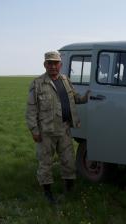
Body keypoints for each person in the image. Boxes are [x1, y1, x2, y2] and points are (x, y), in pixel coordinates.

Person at [26, 51, 89, 203]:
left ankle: (69, 190)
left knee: (68, 160)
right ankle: (47, 193)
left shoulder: (65, 80)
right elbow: (31, 109)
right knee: (45, 162)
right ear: (45, 65)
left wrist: (87, 96)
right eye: (50, 63)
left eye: (55, 63)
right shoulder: (38, 83)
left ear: (60, 64)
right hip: (46, 131)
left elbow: (75, 98)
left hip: (64, 129)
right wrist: (34, 130)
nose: (53, 66)